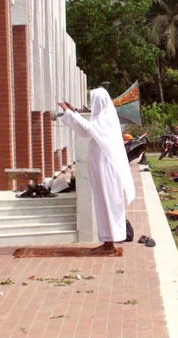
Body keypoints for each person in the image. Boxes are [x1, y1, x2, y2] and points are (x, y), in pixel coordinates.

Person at [58, 88, 135, 254]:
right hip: (103, 169)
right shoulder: (103, 118)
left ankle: (109, 243)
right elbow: (88, 129)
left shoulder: (105, 119)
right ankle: (108, 242)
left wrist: (70, 114)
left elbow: (87, 130)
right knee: (103, 203)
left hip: (107, 170)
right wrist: (74, 113)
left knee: (107, 203)